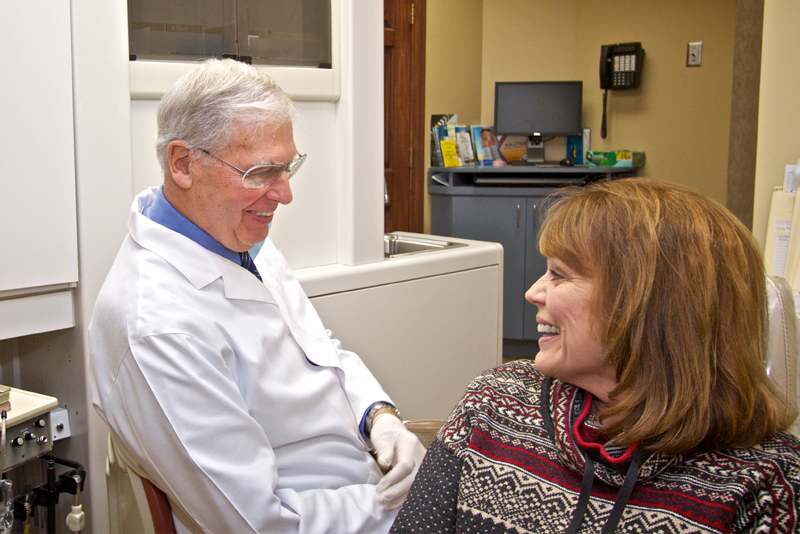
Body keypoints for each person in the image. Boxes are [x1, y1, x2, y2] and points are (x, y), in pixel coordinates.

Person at [90, 58, 425, 534]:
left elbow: (318, 349)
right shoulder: (158, 326)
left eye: (287, 168)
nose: (284, 194)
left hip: (361, 475)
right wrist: (407, 505)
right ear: (183, 164)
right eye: (263, 172)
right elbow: (261, 524)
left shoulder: (238, 239)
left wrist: (379, 415)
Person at [391, 178, 800, 533]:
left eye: (559, 274)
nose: (533, 292)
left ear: (646, 306)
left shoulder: (762, 484)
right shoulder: (495, 401)